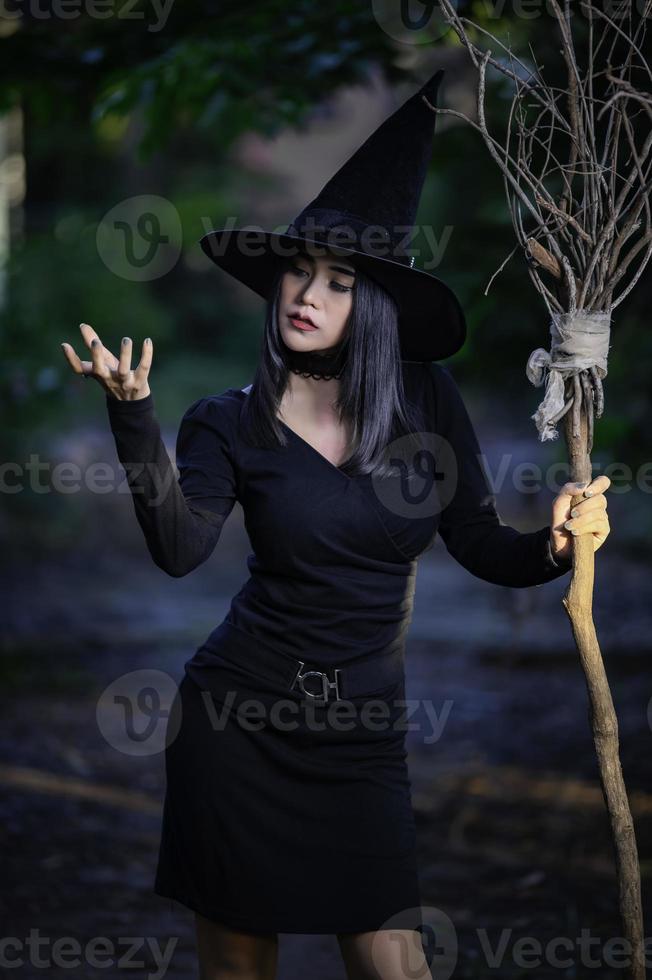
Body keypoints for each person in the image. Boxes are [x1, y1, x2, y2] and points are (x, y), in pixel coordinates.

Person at [60, 68, 610, 980]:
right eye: (298, 272)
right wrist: (134, 417)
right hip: (235, 726)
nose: (306, 294)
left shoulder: (424, 405)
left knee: (393, 961)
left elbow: (479, 541)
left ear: (377, 306)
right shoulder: (229, 421)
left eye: (340, 280)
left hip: (361, 737)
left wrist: (555, 544)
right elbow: (179, 549)